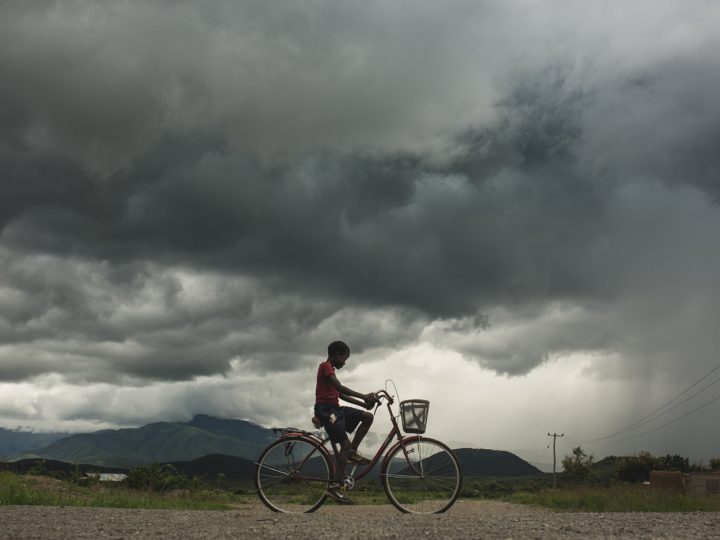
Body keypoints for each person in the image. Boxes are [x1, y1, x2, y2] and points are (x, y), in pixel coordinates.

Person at [314, 340, 377, 504]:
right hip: (327, 411)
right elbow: (340, 388)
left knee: (367, 417)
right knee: (344, 444)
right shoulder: (325, 366)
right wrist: (363, 396)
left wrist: (363, 405)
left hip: (336, 409)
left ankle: (351, 453)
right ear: (337, 354)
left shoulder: (331, 370)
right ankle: (335, 486)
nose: (344, 362)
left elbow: (340, 395)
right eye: (344, 358)